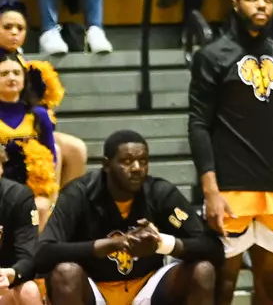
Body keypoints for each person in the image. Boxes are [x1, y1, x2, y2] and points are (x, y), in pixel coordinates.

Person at [188, 0, 273, 305]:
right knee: (223, 284)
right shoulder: (212, 56)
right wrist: (210, 191)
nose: (261, 5)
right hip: (230, 187)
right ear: (235, 4)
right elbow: (198, 124)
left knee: (270, 285)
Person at [38, 130, 219, 305]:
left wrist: (161, 243)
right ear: (106, 165)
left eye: (143, 161)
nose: (137, 168)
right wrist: (110, 245)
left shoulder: (160, 193)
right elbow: (43, 251)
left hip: (147, 289)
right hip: (95, 289)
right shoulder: (78, 194)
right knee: (66, 273)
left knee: (203, 270)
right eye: (127, 161)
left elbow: (213, 247)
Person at [0, 3, 85, 186]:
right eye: (7, 27)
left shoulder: (27, 66)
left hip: (26, 127)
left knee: (76, 149)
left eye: (20, 28)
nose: (14, 32)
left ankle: (66, 202)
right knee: (54, 152)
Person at [0, 56, 55, 213]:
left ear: (24, 79)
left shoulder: (39, 114)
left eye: (16, 73)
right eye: (4, 74)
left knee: (41, 207)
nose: (11, 78)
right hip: (2, 184)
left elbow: (51, 155)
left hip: (31, 187)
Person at [0, 145, 38, 305]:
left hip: (4, 284)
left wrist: (11, 273)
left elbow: (29, 258)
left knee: (29, 290)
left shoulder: (18, 197)